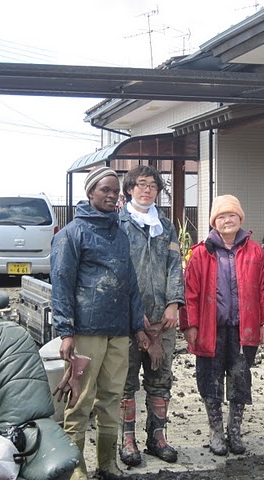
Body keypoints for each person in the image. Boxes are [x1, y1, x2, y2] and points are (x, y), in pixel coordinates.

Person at [51, 166, 150, 480]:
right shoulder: (71, 234)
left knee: (111, 398)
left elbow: (130, 284)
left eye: (115, 190)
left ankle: (106, 464)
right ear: (90, 193)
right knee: (81, 400)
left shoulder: (120, 235)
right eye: (104, 190)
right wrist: (66, 332)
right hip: (86, 331)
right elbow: (62, 284)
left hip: (118, 332)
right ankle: (75, 468)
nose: (111, 195)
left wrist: (138, 327)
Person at [180, 194, 264, 456]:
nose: (227, 220)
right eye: (221, 216)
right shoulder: (200, 253)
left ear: (240, 218)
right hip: (210, 330)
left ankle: (235, 431)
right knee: (210, 381)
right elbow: (190, 293)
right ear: (214, 222)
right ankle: (216, 431)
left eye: (232, 215)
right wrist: (190, 325)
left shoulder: (254, 250)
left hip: (243, 330)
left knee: (240, 381)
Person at [118, 165, 185, 466]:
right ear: (129, 188)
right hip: (127, 321)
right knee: (125, 381)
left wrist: (174, 303)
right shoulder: (118, 224)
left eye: (153, 186)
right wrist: (133, 312)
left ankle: (157, 436)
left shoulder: (166, 227)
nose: (147, 190)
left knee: (161, 379)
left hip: (163, 320)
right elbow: (117, 271)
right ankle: (127, 439)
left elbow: (175, 265)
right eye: (140, 184)